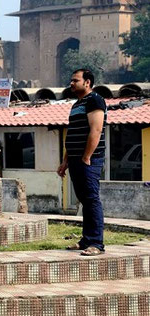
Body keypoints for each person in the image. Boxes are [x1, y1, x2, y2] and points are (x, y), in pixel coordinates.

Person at [57, 69, 107, 256]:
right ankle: (86, 240)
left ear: (87, 82)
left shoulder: (95, 100)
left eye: (75, 80)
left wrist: (87, 157)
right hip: (76, 159)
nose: (71, 83)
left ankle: (96, 243)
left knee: (91, 199)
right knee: (84, 199)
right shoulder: (76, 104)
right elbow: (72, 135)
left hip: (89, 160)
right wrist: (65, 162)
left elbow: (96, 130)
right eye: (71, 80)